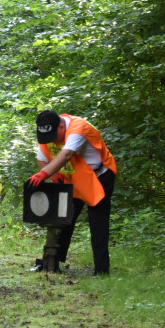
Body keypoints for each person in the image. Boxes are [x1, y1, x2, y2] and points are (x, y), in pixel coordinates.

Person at [25, 110, 117, 275]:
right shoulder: (46, 133)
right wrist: (53, 176)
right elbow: (42, 158)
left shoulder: (78, 128)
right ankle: (50, 263)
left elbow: (67, 154)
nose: (51, 140)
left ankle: (101, 270)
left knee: (98, 224)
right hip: (73, 179)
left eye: (54, 135)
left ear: (61, 125)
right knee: (62, 220)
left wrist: (43, 174)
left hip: (99, 176)